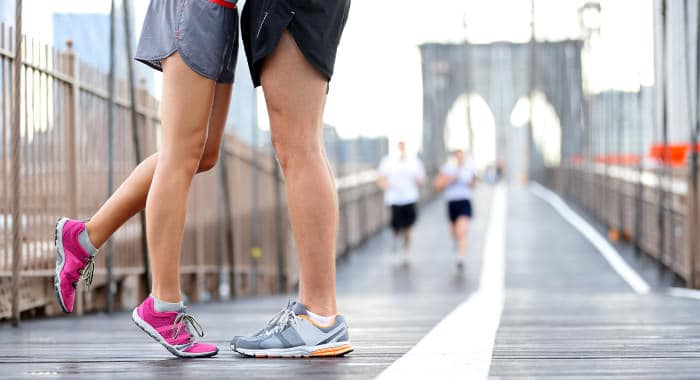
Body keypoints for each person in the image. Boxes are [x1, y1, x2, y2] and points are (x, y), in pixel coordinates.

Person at [54, 0, 352, 359]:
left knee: (201, 153)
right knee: (181, 152)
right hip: (195, 8)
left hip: (218, 13)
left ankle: (83, 238)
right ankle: (162, 305)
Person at [377, 141, 426, 263]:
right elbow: (380, 179)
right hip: (394, 198)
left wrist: (419, 181)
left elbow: (421, 179)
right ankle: (396, 238)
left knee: (408, 225)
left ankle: (406, 251)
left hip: (410, 197)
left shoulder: (414, 161)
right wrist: (388, 185)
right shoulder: (387, 161)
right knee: (397, 224)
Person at [433, 150, 477, 270]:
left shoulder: (470, 167)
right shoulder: (448, 167)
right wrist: (451, 178)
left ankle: (461, 258)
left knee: (462, 230)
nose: (459, 156)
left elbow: (473, 184)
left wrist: (469, 180)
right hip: (452, 202)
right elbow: (437, 185)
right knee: (454, 231)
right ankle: (457, 244)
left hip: (464, 201)